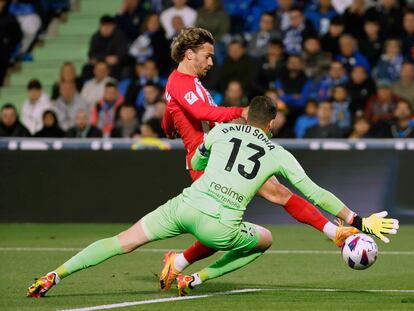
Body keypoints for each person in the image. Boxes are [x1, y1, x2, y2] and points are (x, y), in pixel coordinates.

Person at [27, 96, 399, 298]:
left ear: (246, 115)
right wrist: (355, 219)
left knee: (120, 241)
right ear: (271, 123)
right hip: (220, 226)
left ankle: (54, 275)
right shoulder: (277, 153)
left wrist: (209, 156)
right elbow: (313, 192)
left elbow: (198, 157)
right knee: (264, 239)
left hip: (184, 205)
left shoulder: (222, 131)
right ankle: (195, 278)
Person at [159, 27, 368, 293]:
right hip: (206, 161)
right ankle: (333, 232)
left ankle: (176, 263)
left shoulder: (190, 83)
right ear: (190, 54)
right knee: (236, 221)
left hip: (218, 155)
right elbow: (200, 110)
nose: (211, 62)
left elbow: (173, 107)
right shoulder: (180, 81)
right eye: (208, 56)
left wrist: (168, 126)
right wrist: (239, 111)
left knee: (274, 195)